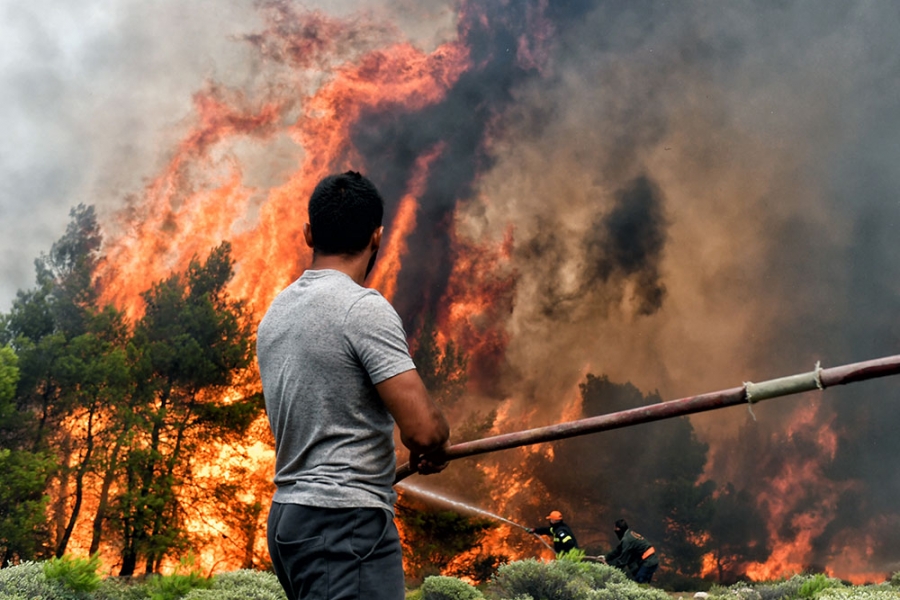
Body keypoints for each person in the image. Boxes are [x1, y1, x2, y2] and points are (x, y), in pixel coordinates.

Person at [257, 171, 451, 600]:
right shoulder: (362, 308)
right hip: (344, 524)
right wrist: (434, 443)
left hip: (290, 517)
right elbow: (423, 430)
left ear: (309, 233)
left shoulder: (277, 312)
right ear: (377, 237)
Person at [604, 518, 659, 584]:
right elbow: (618, 550)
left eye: (615, 528)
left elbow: (623, 561)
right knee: (641, 579)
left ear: (618, 529)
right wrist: (606, 557)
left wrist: (610, 567)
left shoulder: (627, 540)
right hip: (650, 560)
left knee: (640, 581)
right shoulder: (629, 533)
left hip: (649, 561)